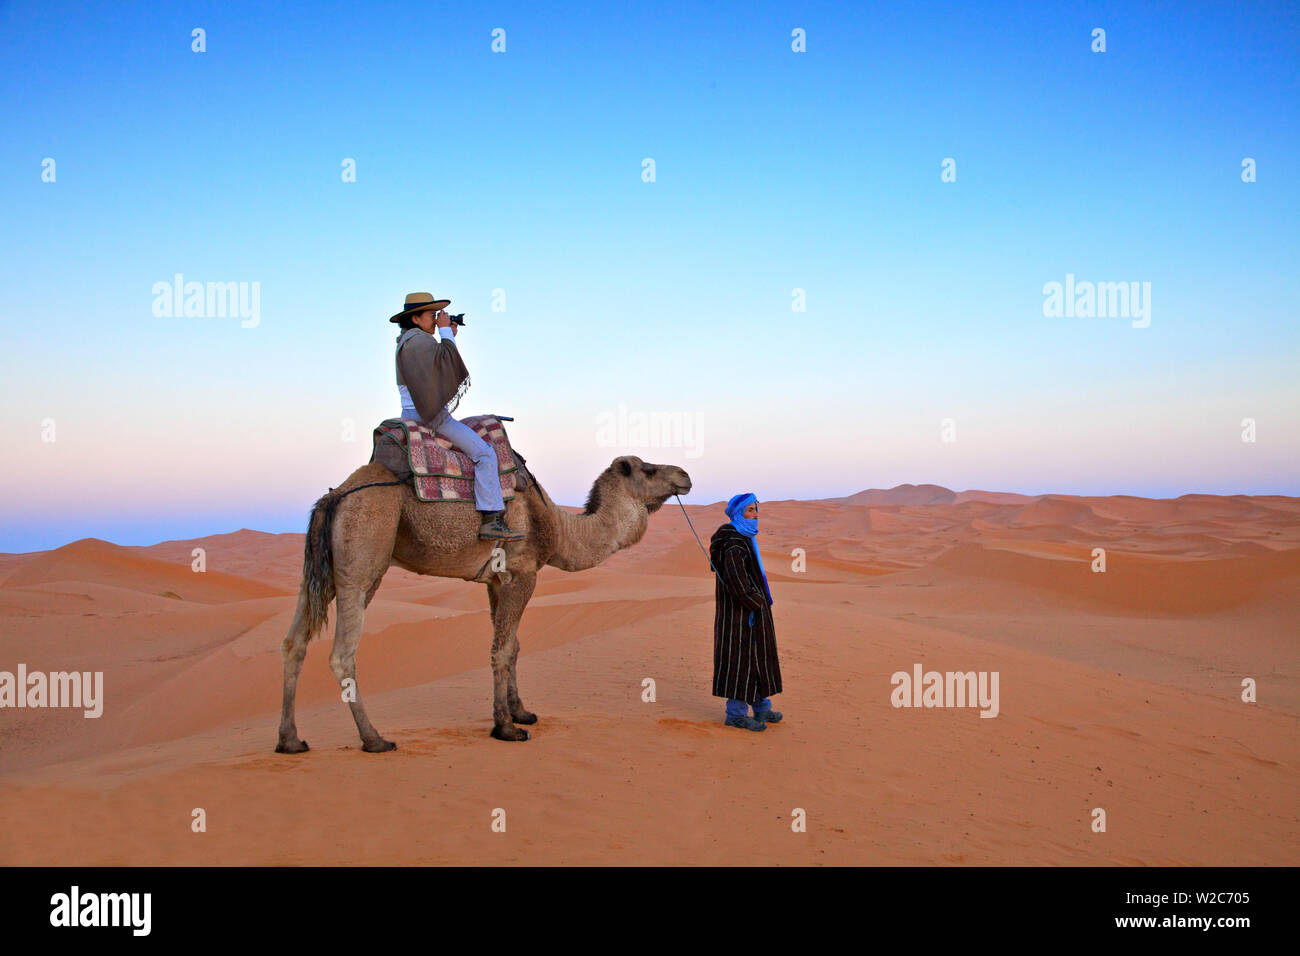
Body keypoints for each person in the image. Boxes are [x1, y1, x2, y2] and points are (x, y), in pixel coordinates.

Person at [387, 291, 522, 541]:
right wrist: (445, 334)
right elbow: (447, 364)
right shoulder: (418, 341)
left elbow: (441, 363)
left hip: (409, 414)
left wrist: (448, 336)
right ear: (415, 319)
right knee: (485, 454)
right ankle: (491, 519)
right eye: (431, 315)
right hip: (431, 416)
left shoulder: (407, 342)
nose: (436, 319)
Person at [710, 492, 783, 731]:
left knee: (758, 660)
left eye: (756, 510)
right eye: (749, 510)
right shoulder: (733, 542)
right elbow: (736, 581)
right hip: (739, 617)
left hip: (753, 615)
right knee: (740, 662)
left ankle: (762, 708)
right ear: (738, 514)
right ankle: (736, 715)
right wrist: (756, 602)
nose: (755, 515)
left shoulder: (745, 537)